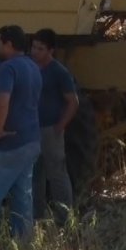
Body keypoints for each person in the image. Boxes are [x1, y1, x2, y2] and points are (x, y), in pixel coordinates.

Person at [0, 25, 42, 250]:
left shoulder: (7, 67)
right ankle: (23, 248)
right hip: (30, 140)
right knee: (22, 197)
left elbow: (4, 98)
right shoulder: (33, 67)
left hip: (9, 143)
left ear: (9, 45)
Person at [30, 29, 79, 222]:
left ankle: (65, 218)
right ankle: (36, 216)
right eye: (33, 47)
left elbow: (73, 101)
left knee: (57, 175)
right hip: (31, 130)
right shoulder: (29, 67)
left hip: (50, 130)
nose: (35, 52)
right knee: (35, 175)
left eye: (40, 48)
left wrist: (60, 126)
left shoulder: (59, 72)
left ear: (51, 50)